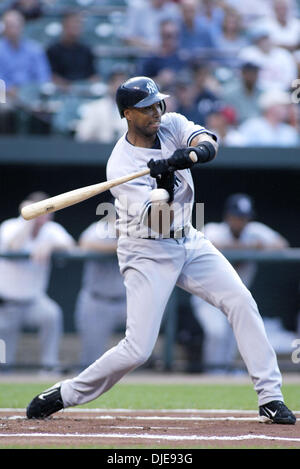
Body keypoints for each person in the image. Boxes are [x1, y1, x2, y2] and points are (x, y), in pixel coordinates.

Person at [26, 76, 296, 425]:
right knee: (138, 349)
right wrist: (163, 186)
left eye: (157, 103)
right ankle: (65, 393)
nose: (156, 111)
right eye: (146, 108)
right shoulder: (121, 165)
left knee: (242, 301)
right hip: (146, 250)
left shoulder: (171, 123)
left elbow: (208, 142)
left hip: (190, 238)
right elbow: (157, 223)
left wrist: (191, 154)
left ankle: (270, 397)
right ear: (127, 114)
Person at [191, 193, 289, 373]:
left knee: (235, 337)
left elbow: (282, 245)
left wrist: (261, 246)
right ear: (227, 216)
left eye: (244, 217)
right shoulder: (214, 229)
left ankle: (226, 375)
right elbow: (204, 245)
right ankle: (213, 375)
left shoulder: (255, 231)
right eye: (236, 217)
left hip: (236, 297)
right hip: (208, 296)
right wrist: (250, 247)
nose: (240, 221)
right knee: (217, 332)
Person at [0, 192, 74, 371]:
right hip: (6, 303)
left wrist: (51, 245)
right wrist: (29, 219)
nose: (46, 214)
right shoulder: (11, 226)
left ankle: (49, 366)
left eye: (48, 209)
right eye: (41, 209)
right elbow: (14, 246)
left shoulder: (51, 230)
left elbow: (71, 245)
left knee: (51, 315)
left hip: (34, 301)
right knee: (3, 361)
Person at [74, 208, 126, 369]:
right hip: (97, 301)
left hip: (126, 302)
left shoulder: (139, 230)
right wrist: (119, 247)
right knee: (91, 358)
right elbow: (84, 244)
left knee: (140, 350)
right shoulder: (99, 229)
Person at [0, 9, 51, 99]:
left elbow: (43, 77)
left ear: (22, 27)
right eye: (10, 26)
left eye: (16, 26)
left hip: (32, 94)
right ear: (4, 29)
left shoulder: (35, 49)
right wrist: (8, 90)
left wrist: (30, 90)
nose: (14, 30)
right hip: (5, 95)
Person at [46, 10, 99, 91]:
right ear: (64, 26)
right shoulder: (53, 50)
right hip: (60, 91)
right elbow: (50, 76)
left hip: (83, 91)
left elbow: (93, 76)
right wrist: (68, 87)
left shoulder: (86, 49)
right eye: (72, 24)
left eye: (78, 24)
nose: (75, 27)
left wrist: (83, 86)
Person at [75, 68, 128, 143]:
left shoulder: (135, 110)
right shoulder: (94, 108)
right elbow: (83, 135)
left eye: (123, 83)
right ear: (109, 84)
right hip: (99, 151)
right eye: (116, 82)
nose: (119, 86)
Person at [238, 27, 298, 91]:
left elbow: (291, 76)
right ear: (256, 41)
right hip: (256, 92)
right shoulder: (247, 53)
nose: (265, 42)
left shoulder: (283, 54)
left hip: (283, 91)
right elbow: (242, 76)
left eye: (266, 39)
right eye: (261, 39)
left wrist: (281, 88)